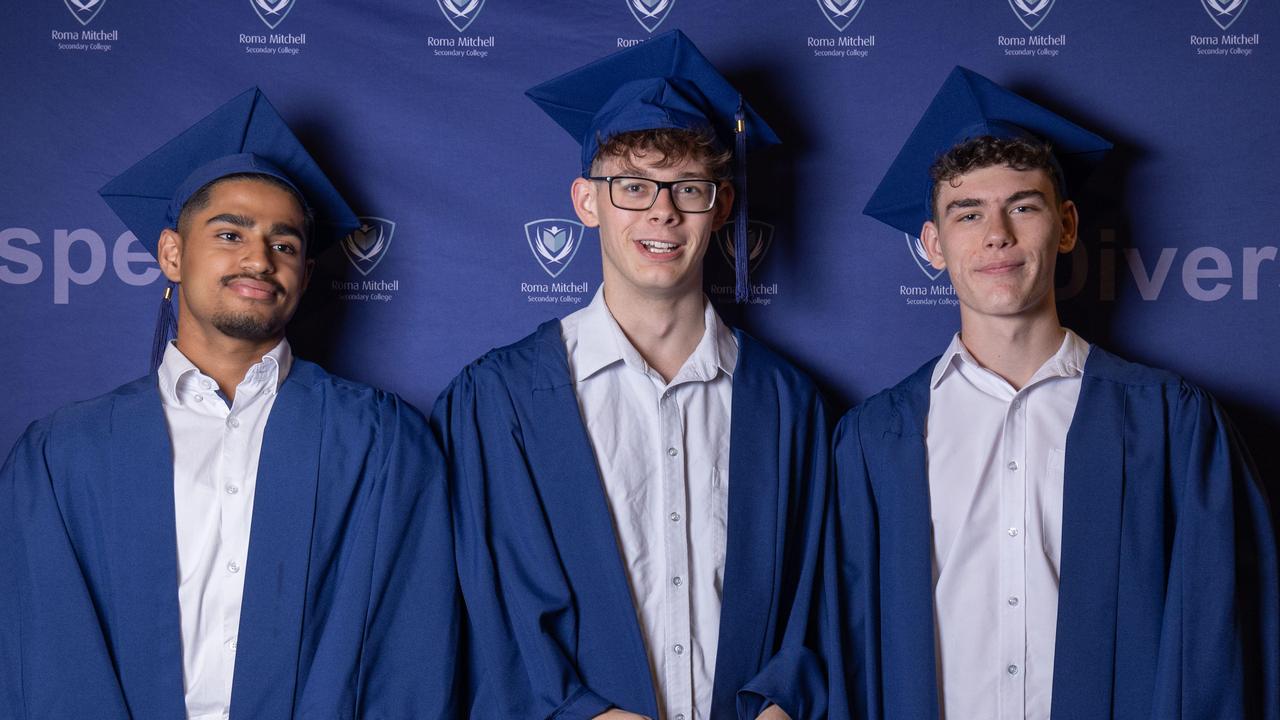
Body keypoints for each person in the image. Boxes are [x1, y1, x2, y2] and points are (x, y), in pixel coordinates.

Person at [0, 88, 466, 719]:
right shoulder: (65, 453)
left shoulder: (380, 443)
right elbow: (47, 653)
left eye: (286, 243)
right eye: (230, 233)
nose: (259, 258)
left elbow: (408, 654)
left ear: (303, 273)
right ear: (172, 253)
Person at [829, 66, 1279, 720]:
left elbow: (1216, 646)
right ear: (931, 243)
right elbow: (843, 651)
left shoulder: (1168, 422)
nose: (997, 235)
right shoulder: (875, 440)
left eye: (1023, 206)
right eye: (968, 212)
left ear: (1066, 227)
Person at [434, 30, 829, 720]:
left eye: (689, 189)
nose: (662, 211)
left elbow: (819, 599)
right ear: (587, 202)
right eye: (633, 186)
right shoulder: (501, 399)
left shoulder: (785, 402)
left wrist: (780, 701)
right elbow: (493, 614)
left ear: (723, 208)